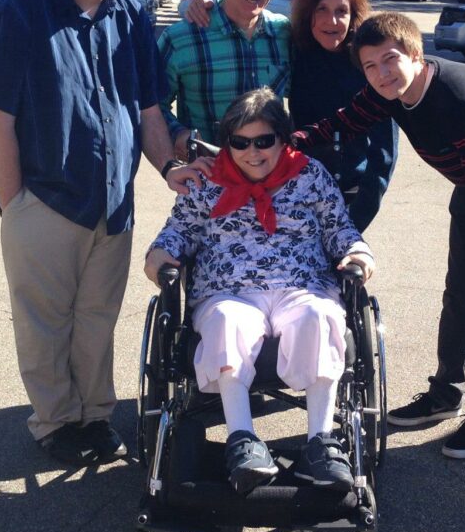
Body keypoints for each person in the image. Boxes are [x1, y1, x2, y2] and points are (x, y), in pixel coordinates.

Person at [0, 0, 205, 468]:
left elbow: (148, 110)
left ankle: (94, 417)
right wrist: (14, 201)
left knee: (98, 317)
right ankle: (54, 421)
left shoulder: (130, 12)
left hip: (112, 202)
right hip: (44, 198)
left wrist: (168, 166)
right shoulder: (23, 8)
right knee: (45, 321)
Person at [294, 12, 465, 460]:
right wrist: (287, 142)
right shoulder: (391, 91)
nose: (380, 74)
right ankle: (446, 394)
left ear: (416, 55)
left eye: (390, 60)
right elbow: (345, 120)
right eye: (370, 66)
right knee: (459, 290)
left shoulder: (459, 103)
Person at [144, 89, 375, 494]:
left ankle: (321, 444)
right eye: (240, 142)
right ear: (228, 143)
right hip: (227, 291)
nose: (253, 152)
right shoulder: (205, 181)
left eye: (264, 141)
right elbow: (177, 232)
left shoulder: (310, 175)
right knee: (228, 321)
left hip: (302, 286)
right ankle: (242, 441)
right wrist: (160, 256)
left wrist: (357, 252)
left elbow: (340, 227)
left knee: (320, 316)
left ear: (283, 140)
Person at [188, 0, 398, 233]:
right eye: (320, 9)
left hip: (348, 195)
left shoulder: (368, 63)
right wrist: (205, 4)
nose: (331, 21)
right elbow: (246, 17)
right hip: (294, 190)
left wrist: (354, 223)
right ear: (307, 12)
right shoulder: (296, 48)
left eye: (341, 11)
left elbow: (384, 157)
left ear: (353, 14)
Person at [157, 0, 292, 158]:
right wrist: (178, 134)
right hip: (209, 182)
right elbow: (152, 104)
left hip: (273, 185)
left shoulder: (284, 33)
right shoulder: (181, 39)